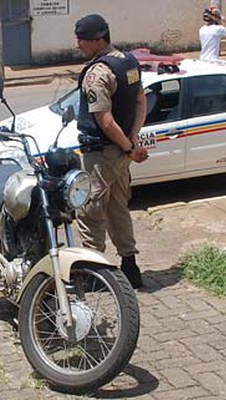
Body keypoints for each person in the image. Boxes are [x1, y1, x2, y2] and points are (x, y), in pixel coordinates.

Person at [74, 14, 148, 289]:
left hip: (101, 154)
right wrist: (132, 140)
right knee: (118, 208)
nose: (78, 44)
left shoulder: (97, 73)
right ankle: (130, 267)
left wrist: (129, 146)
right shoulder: (127, 62)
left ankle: (93, 273)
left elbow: (104, 120)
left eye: (81, 39)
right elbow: (141, 101)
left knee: (90, 210)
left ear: (97, 40)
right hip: (120, 152)